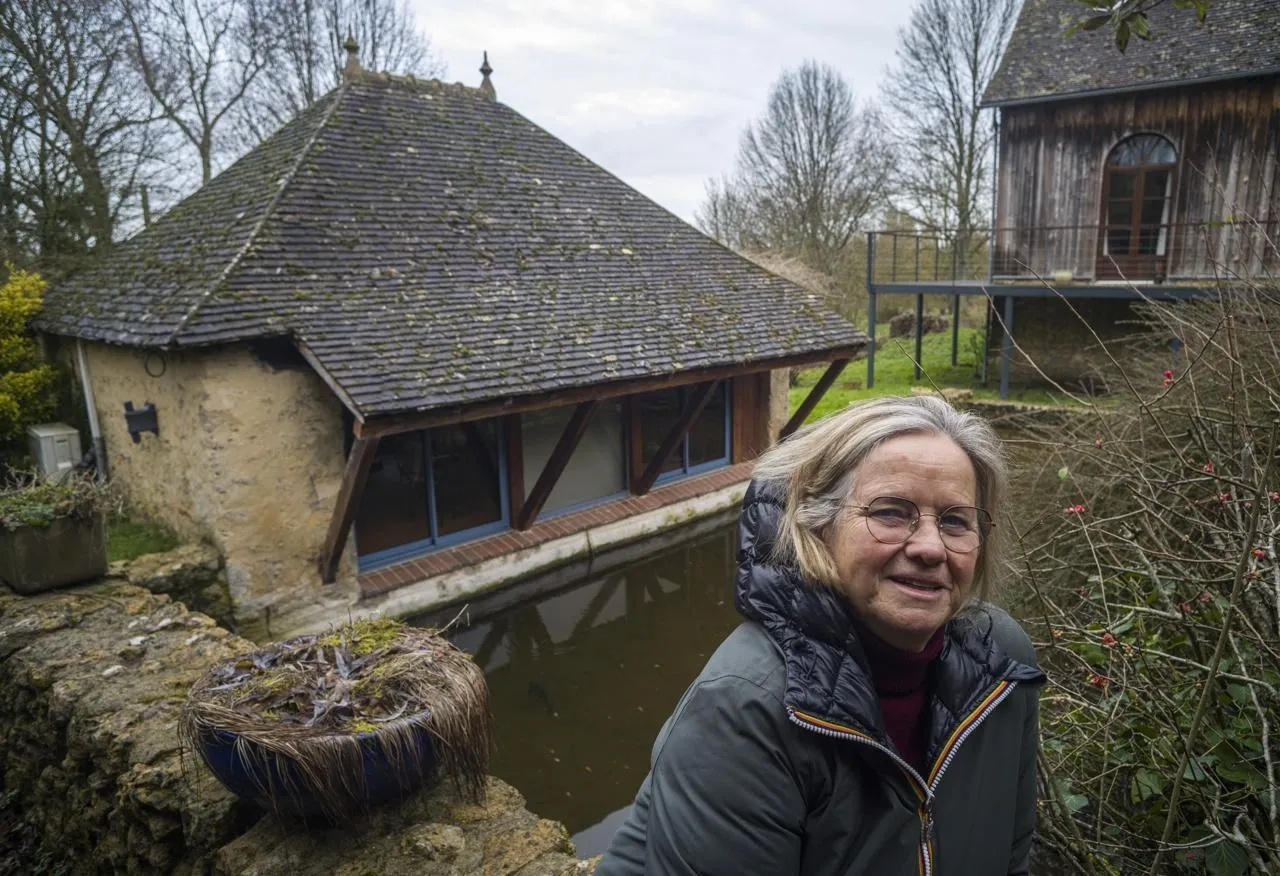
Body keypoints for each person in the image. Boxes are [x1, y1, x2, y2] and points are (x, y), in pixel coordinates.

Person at [597, 395, 1045, 875]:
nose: (931, 547)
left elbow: (1011, 858)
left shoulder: (1001, 660)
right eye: (891, 513)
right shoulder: (746, 708)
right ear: (818, 525)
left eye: (955, 521)